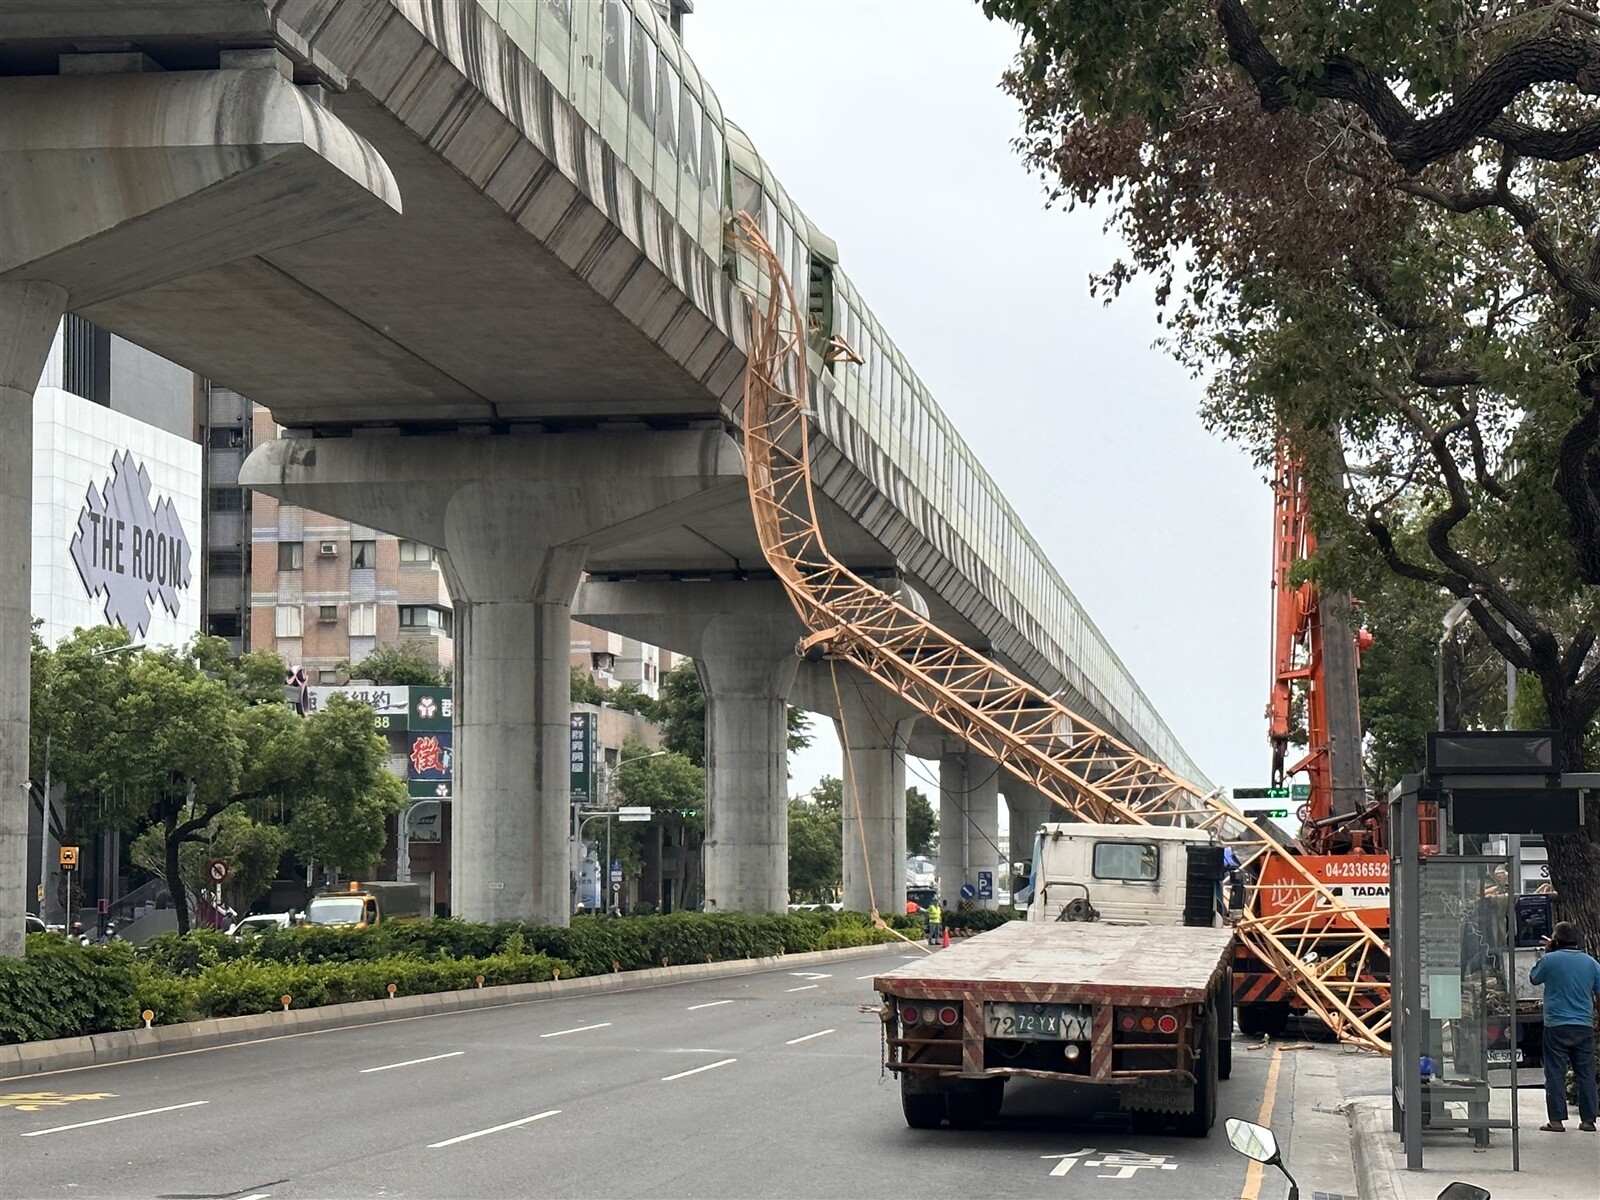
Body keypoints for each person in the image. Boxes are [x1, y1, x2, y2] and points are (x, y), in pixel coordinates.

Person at [1529, 921, 1600, 1132]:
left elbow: (1534, 978)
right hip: (1583, 1024)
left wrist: (1548, 951)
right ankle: (1588, 1120)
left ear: (1556, 940)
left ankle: (1557, 1120)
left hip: (1556, 1025)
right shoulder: (1591, 963)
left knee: (1555, 1073)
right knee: (1585, 1073)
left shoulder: (1549, 960)